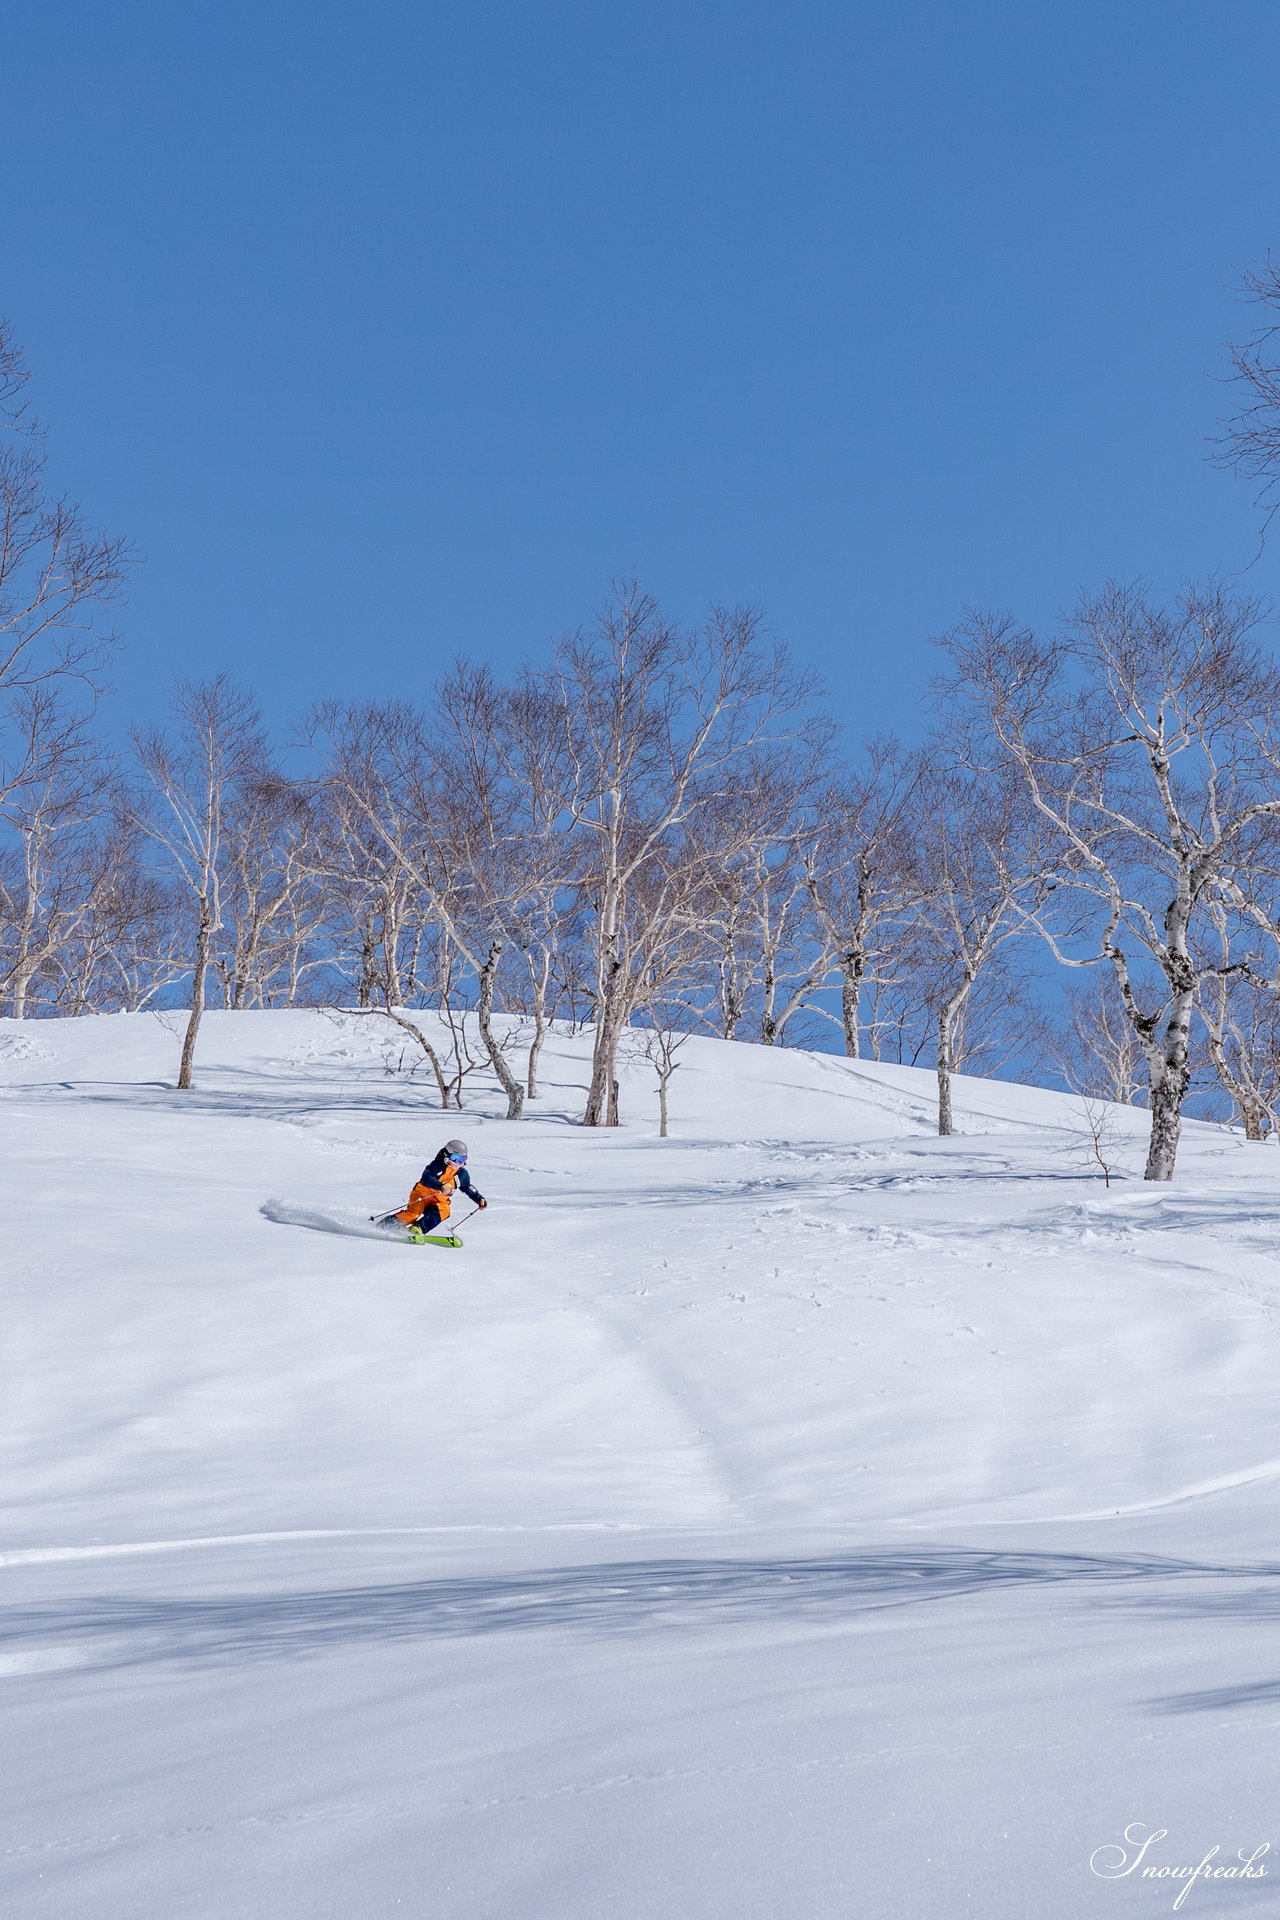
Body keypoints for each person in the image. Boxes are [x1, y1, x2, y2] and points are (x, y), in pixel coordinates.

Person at [382, 1139, 487, 1236]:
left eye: (461, 1159)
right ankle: (385, 1225)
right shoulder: (436, 1166)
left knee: (444, 1210)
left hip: (439, 1200)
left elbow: (467, 1187)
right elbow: (426, 1178)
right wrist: (440, 1185)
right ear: (446, 1156)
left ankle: (417, 1229)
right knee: (413, 1214)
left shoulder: (461, 1174)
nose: (458, 1163)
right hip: (422, 1194)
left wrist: (479, 1198)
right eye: (455, 1158)